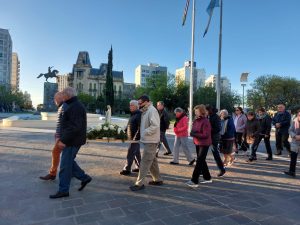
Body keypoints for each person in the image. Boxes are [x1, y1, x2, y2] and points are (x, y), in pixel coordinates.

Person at [49, 87, 92, 199]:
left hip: (72, 141)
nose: (62, 97)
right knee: (68, 162)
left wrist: (63, 140)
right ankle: (84, 178)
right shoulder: (72, 104)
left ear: (68, 95)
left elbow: (74, 127)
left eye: (63, 95)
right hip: (71, 140)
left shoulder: (75, 107)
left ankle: (63, 190)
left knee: (64, 166)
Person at [129, 95, 163, 191]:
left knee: (144, 162)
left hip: (151, 140)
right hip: (149, 139)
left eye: (140, 103)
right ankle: (158, 179)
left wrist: (144, 132)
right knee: (152, 161)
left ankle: (139, 184)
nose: (139, 105)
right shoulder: (145, 110)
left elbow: (155, 126)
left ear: (147, 102)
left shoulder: (152, 110)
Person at [40, 92, 66, 181]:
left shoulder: (63, 107)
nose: (55, 101)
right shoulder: (61, 107)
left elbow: (63, 124)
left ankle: (52, 173)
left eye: (56, 99)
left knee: (56, 153)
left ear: (61, 99)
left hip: (63, 137)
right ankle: (73, 173)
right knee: (67, 157)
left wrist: (59, 136)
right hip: (61, 136)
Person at [186, 105, 212, 187]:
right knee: (202, 160)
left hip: (204, 143)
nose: (195, 113)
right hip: (197, 142)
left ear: (202, 111)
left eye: (197, 111)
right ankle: (207, 178)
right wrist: (192, 132)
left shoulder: (205, 121)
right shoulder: (196, 120)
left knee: (199, 161)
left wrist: (194, 134)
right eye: (195, 111)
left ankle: (194, 181)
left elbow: (206, 135)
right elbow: (194, 130)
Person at [120, 100, 142, 176]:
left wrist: (136, 138)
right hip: (132, 137)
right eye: (130, 105)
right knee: (136, 153)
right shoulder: (133, 114)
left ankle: (127, 169)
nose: (130, 106)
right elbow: (129, 124)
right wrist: (124, 131)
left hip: (135, 138)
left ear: (136, 106)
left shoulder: (139, 114)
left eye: (132, 105)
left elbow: (140, 127)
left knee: (130, 153)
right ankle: (140, 167)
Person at [206, 105, 226, 177]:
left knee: (215, 154)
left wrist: (208, 129)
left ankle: (222, 169)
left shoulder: (216, 117)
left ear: (209, 110)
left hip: (213, 138)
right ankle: (202, 170)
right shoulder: (207, 116)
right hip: (206, 137)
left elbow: (218, 129)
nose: (205, 112)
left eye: (206, 111)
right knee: (202, 155)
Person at [284, 110, 300, 177]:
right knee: (293, 158)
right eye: (299, 115)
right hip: (295, 142)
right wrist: (295, 135)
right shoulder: (294, 121)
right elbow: (290, 130)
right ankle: (292, 171)